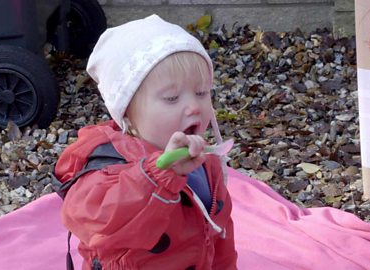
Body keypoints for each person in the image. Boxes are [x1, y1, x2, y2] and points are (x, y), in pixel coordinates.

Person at [54, 14, 238, 270]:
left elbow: (220, 236)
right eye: (172, 98)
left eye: (201, 93)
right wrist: (158, 175)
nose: (194, 107)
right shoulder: (107, 165)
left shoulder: (206, 162)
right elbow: (95, 221)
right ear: (127, 111)